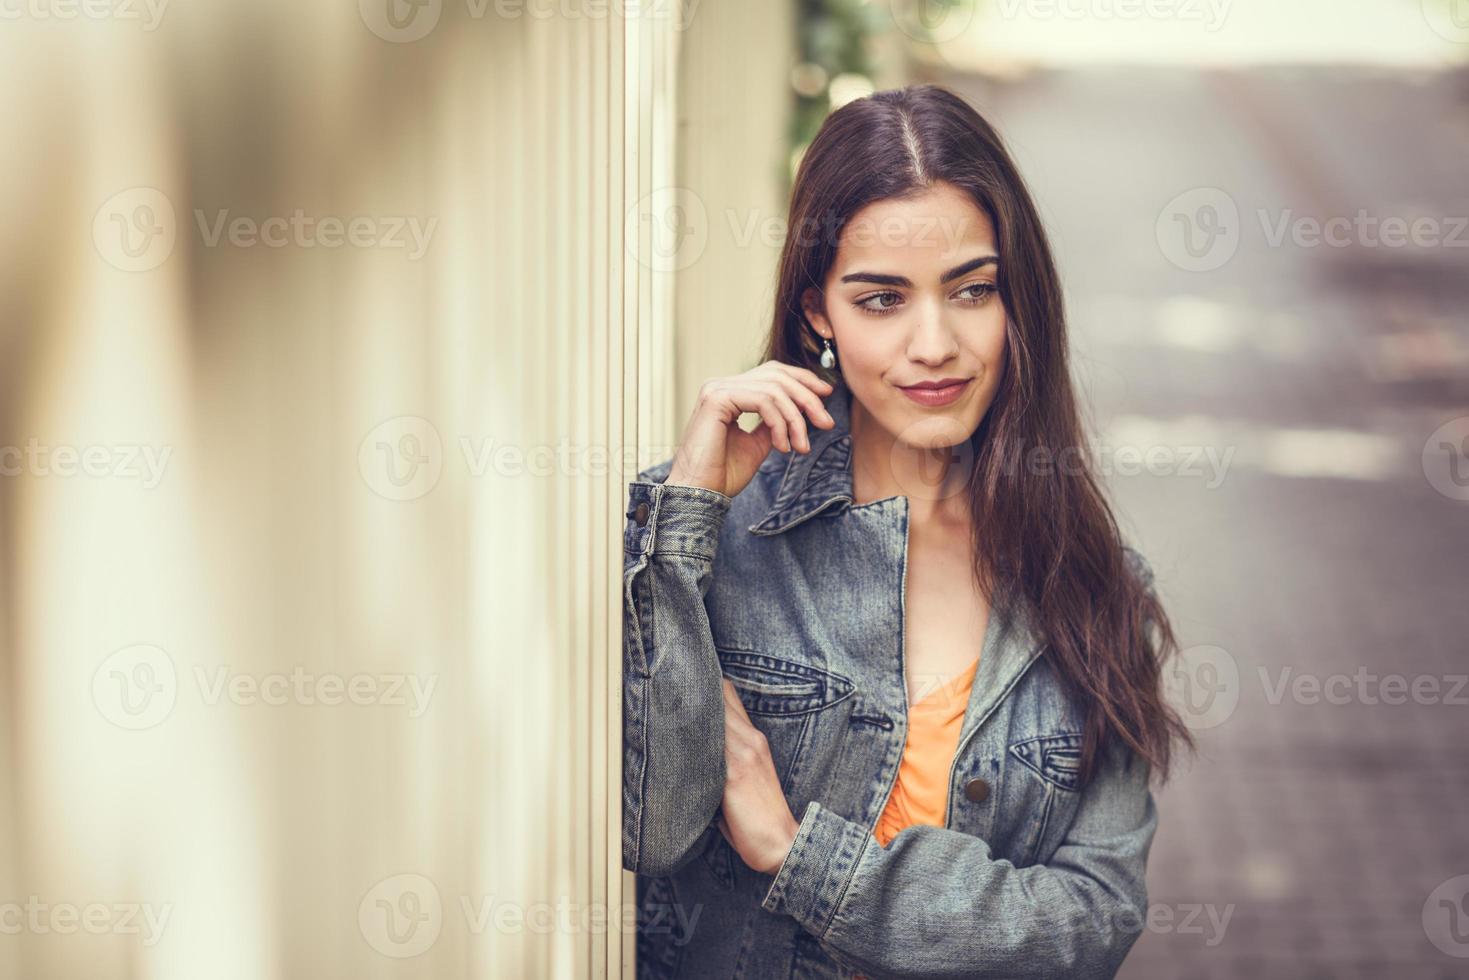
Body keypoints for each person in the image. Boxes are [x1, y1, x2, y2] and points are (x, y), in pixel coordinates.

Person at [621, 83, 1195, 979]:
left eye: (971, 291)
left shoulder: (1093, 585)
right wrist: (689, 514)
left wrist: (799, 854)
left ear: (1016, 303)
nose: (934, 344)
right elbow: (653, 828)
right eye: (882, 300)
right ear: (818, 312)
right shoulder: (716, 540)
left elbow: (1090, 925)